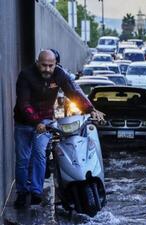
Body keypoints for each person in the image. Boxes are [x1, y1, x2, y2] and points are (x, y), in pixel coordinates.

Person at [13, 50, 105, 208]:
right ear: (37, 63)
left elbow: (73, 92)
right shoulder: (26, 75)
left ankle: (36, 192)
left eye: (51, 65)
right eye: (44, 65)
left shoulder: (59, 74)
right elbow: (24, 104)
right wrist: (36, 122)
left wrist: (91, 110)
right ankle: (22, 193)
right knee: (23, 160)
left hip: (46, 121)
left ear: (55, 64)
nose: (47, 69)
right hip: (24, 122)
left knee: (39, 154)